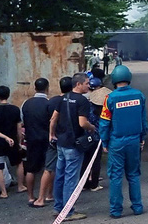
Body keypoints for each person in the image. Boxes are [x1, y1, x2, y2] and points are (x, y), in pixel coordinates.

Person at [99, 65, 147, 218]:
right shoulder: (139, 96)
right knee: (133, 174)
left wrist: (104, 142)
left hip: (117, 142)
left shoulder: (110, 98)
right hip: (134, 141)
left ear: (114, 79)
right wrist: (142, 138)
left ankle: (116, 210)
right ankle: (138, 207)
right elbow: (143, 121)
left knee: (116, 176)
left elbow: (104, 123)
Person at [50, 72, 95, 221]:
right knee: (71, 178)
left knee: (60, 175)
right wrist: (92, 127)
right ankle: (68, 212)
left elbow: (53, 118)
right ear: (78, 84)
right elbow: (82, 123)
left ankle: (58, 207)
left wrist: (52, 135)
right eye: (87, 83)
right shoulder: (82, 101)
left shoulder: (63, 98)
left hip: (61, 143)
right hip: (74, 144)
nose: (89, 86)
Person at [31, 76, 72, 208]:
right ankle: (50, 196)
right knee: (60, 169)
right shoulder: (72, 101)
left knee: (50, 168)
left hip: (53, 140)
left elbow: (48, 120)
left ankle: (44, 197)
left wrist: (51, 134)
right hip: (67, 139)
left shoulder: (51, 102)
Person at [0, 85, 23, 198]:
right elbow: (19, 128)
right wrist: (19, 141)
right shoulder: (15, 109)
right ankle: (20, 186)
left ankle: (4, 192)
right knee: (19, 163)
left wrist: (3, 137)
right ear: (8, 95)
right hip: (13, 140)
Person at [21, 77, 51, 206]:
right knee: (49, 168)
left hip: (31, 139)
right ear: (47, 88)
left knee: (31, 169)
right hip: (46, 139)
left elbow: (22, 121)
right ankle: (48, 195)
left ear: (35, 88)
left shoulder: (26, 104)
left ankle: (30, 196)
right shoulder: (49, 104)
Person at [81, 77, 109, 192]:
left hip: (87, 136)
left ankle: (84, 183)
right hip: (98, 137)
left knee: (85, 160)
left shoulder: (88, 105)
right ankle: (94, 184)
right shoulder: (103, 109)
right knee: (96, 161)